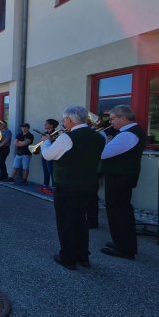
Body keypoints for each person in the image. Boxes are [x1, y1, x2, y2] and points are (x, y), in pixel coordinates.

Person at [41, 106, 105, 270]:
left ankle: (68, 257)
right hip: (89, 184)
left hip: (68, 185)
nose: (63, 123)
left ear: (69, 120)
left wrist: (45, 142)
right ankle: (83, 256)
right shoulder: (99, 137)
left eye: (64, 120)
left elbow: (48, 155)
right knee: (81, 220)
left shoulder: (67, 137)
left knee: (66, 221)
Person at [99, 105, 146, 260]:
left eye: (113, 119)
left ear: (123, 118)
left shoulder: (127, 134)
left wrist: (100, 138)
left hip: (119, 178)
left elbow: (104, 153)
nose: (110, 122)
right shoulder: (128, 132)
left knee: (118, 212)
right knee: (120, 211)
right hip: (121, 176)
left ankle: (124, 248)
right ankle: (122, 243)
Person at [38, 119, 60, 194]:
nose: (45, 125)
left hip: (51, 155)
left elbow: (56, 144)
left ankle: (54, 187)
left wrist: (49, 138)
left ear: (51, 125)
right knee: (45, 170)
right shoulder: (44, 133)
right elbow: (41, 143)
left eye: (46, 123)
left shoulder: (56, 134)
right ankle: (45, 185)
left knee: (51, 171)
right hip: (44, 154)